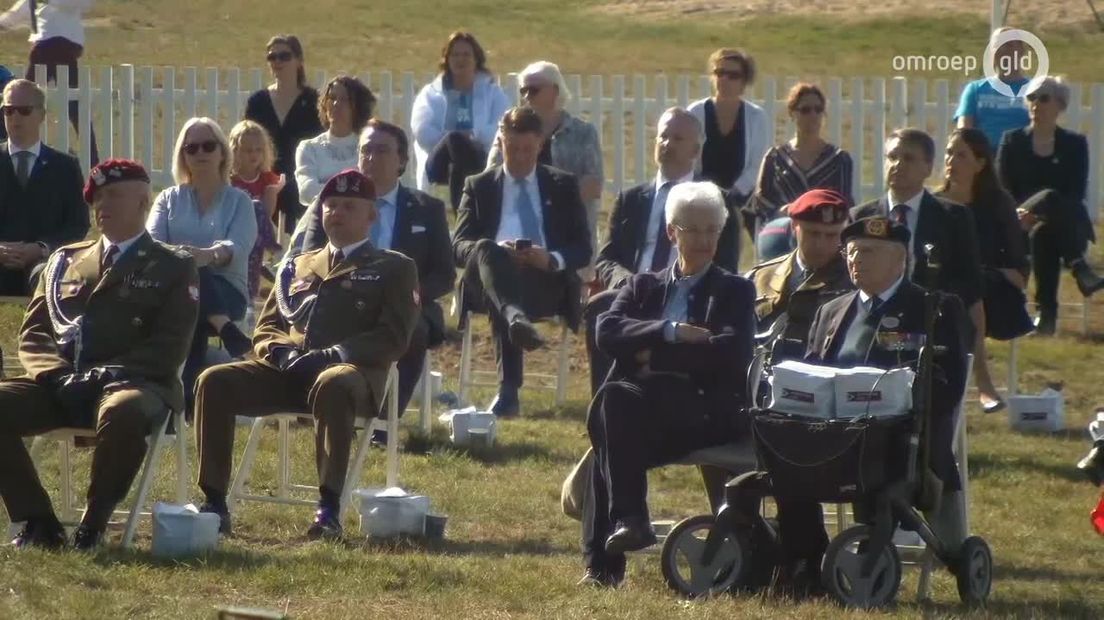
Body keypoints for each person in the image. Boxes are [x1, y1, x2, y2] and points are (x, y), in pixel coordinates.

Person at [194, 169, 419, 540]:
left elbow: (393, 337)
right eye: (330, 205)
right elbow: (267, 327)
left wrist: (334, 354)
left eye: (349, 206)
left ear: (371, 215)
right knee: (213, 381)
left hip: (351, 378)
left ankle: (328, 510)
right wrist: (280, 353)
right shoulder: (298, 265)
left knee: (333, 381)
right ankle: (214, 502)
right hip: (289, 373)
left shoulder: (394, 267)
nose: (337, 213)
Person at [0, 159, 198, 550]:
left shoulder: (173, 266)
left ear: (143, 201)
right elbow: (36, 333)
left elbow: (169, 345)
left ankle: (94, 522)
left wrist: (106, 375)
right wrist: (54, 375)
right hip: (62, 385)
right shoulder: (64, 262)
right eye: (97, 198)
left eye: (113, 196)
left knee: (122, 410)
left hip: (136, 385)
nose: (102, 206)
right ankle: (39, 521)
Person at [580, 181, 756, 588]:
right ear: (672, 233)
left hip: (702, 409)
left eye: (713, 229)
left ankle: (613, 549)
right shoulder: (644, 286)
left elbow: (728, 352)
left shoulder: (734, 290)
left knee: (610, 420)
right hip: (642, 412)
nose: (705, 239)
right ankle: (614, 545)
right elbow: (608, 330)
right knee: (613, 423)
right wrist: (671, 331)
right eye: (694, 229)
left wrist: (650, 354)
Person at [805, 216, 970, 563]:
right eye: (850, 252)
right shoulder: (830, 311)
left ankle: (871, 557)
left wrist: (895, 401)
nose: (856, 260)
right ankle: (802, 556)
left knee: (885, 465)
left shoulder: (933, 309)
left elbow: (948, 384)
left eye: (868, 251)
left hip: (899, 435)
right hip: (832, 433)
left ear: (900, 260)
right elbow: (809, 375)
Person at [290, 119, 455, 418]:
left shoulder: (427, 209)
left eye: (381, 150)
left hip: (405, 307)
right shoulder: (330, 203)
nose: (371, 158)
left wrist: (406, 294)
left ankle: (383, 421)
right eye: (365, 150)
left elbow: (444, 274)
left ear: (402, 160)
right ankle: (309, 402)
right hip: (337, 301)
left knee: (412, 331)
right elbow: (309, 258)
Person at [586, 107, 738, 395]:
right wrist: (627, 282)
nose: (667, 144)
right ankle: (603, 409)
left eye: (677, 138)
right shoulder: (631, 199)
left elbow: (726, 264)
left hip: (689, 291)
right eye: (663, 137)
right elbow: (606, 258)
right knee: (600, 308)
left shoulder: (715, 201)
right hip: (633, 292)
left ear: (695, 149)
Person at [452, 106, 591, 418]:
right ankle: (514, 321)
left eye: (528, 149)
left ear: (540, 145)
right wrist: (498, 252)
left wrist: (551, 258)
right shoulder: (479, 186)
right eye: (512, 148)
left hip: (543, 283)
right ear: (500, 143)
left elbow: (583, 248)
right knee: (489, 251)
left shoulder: (562, 185)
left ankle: (509, 389)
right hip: (487, 279)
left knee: (506, 296)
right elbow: (458, 246)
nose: (520, 156)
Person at [147, 117, 258, 411]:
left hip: (226, 292)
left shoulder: (240, 201)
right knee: (189, 283)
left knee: (193, 291)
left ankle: (177, 402)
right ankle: (223, 330)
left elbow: (240, 245)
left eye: (208, 145)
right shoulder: (168, 199)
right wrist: (185, 258)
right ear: (182, 156)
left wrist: (209, 255)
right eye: (191, 148)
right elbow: (151, 245)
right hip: (173, 291)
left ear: (223, 152)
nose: (200, 153)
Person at [851, 128, 982, 341]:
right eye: (892, 157)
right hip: (872, 324)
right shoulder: (861, 218)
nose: (898, 165)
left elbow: (970, 285)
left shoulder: (954, 218)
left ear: (928, 167)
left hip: (934, 325)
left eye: (909, 158)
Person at [997, 76, 1104, 335]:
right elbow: (1003, 191)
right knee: (1047, 207)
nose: (1036, 104)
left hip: (1066, 225)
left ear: (1060, 105)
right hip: (1018, 222)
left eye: (1043, 98)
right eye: (1032, 98)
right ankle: (1079, 268)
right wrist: (1025, 214)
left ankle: (1046, 317)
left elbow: (1075, 194)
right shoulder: (1012, 141)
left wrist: (1042, 214)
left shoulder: (1075, 144)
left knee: (1046, 225)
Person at [940, 128, 1031, 413]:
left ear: (980, 164)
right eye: (949, 153)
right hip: (945, 293)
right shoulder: (935, 203)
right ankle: (978, 385)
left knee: (970, 287)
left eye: (961, 155)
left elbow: (1019, 269)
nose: (952, 160)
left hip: (995, 293)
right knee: (960, 290)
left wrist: (989, 271)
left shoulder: (997, 203)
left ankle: (983, 382)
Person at [488, 61, 603, 264]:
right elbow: (490, 177)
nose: (526, 97)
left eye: (533, 90)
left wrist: (550, 201)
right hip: (514, 236)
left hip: (568, 237)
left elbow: (594, 184)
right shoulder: (507, 133)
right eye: (523, 90)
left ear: (555, 91)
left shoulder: (583, 133)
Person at [0, 79, 88, 296]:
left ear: (41, 115)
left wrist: (41, 248)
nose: (15, 117)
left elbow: (77, 225)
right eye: (8, 110)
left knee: (47, 275)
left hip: (43, 264)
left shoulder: (65, 167)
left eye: (24, 110)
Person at [745, 188, 852, 362]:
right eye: (813, 233)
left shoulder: (856, 281)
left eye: (831, 235)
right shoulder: (760, 277)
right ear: (794, 226)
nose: (821, 244)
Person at [751, 83, 854, 262]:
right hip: (782, 237)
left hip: (823, 238)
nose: (813, 115)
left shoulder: (839, 159)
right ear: (792, 113)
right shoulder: (775, 157)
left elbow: (844, 202)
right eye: (805, 110)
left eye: (818, 109)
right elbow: (761, 201)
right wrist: (784, 211)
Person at [412, 31, 510, 211]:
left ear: (476, 59)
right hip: (438, 160)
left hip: (481, 158)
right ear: (447, 59)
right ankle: (464, 211)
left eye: (466, 54)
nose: (460, 59)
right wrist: (450, 139)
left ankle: (462, 212)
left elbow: (503, 127)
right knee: (455, 140)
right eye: (455, 55)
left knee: (459, 160)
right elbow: (422, 131)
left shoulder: (493, 93)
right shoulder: (431, 93)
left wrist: (474, 136)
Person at [0, 0, 98, 165]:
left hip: (51, 46)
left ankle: (9, 147)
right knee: (74, 106)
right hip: (52, 47)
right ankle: (93, 160)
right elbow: (21, 10)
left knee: (20, 101)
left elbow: (85, 4)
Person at [688, 48, 770, 242]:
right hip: (700, 198)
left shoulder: (756, 117)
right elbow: (689, 159)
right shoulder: (696, 112)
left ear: (744, 82)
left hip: (742, 200)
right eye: (719, 73)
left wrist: (731, 196)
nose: (723, 79)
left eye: (732, 75)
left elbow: (757, 164)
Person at [244, 35, 324, 233]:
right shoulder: (258, 102)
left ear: (299, 61)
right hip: (264, 188)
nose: (277, 62)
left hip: (303, 188)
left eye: (284, 56)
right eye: (272, 57)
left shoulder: (315, 101)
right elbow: (245, 144)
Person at [295, 75, 376, 210]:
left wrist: (324, 186)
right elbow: (306, 192)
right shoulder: (309, 148)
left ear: (358, 107)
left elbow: (374, 191)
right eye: (332, 98)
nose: (336, 104)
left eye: (344, 99)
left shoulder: (368, 148)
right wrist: (353, 191)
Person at [229, 120, 284, 302]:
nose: (254, 155)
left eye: (258, 150)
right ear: (235, 151)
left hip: (259, 231)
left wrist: (272, 191)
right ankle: (270, 250)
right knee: (252, 205)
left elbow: (268, 212)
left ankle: (251, 295)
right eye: (248, 150)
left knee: (258, 207)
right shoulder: (230, 180)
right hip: (236, 231)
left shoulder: (266, 179)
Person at [954, 27, 1031, 152]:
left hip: (1020, 159)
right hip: (983, 161)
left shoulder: (1034, 90)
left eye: (1009, 44)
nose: (1004, 50)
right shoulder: (975, 90)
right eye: (998, 45)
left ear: (1021, 51)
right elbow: (964, 131)